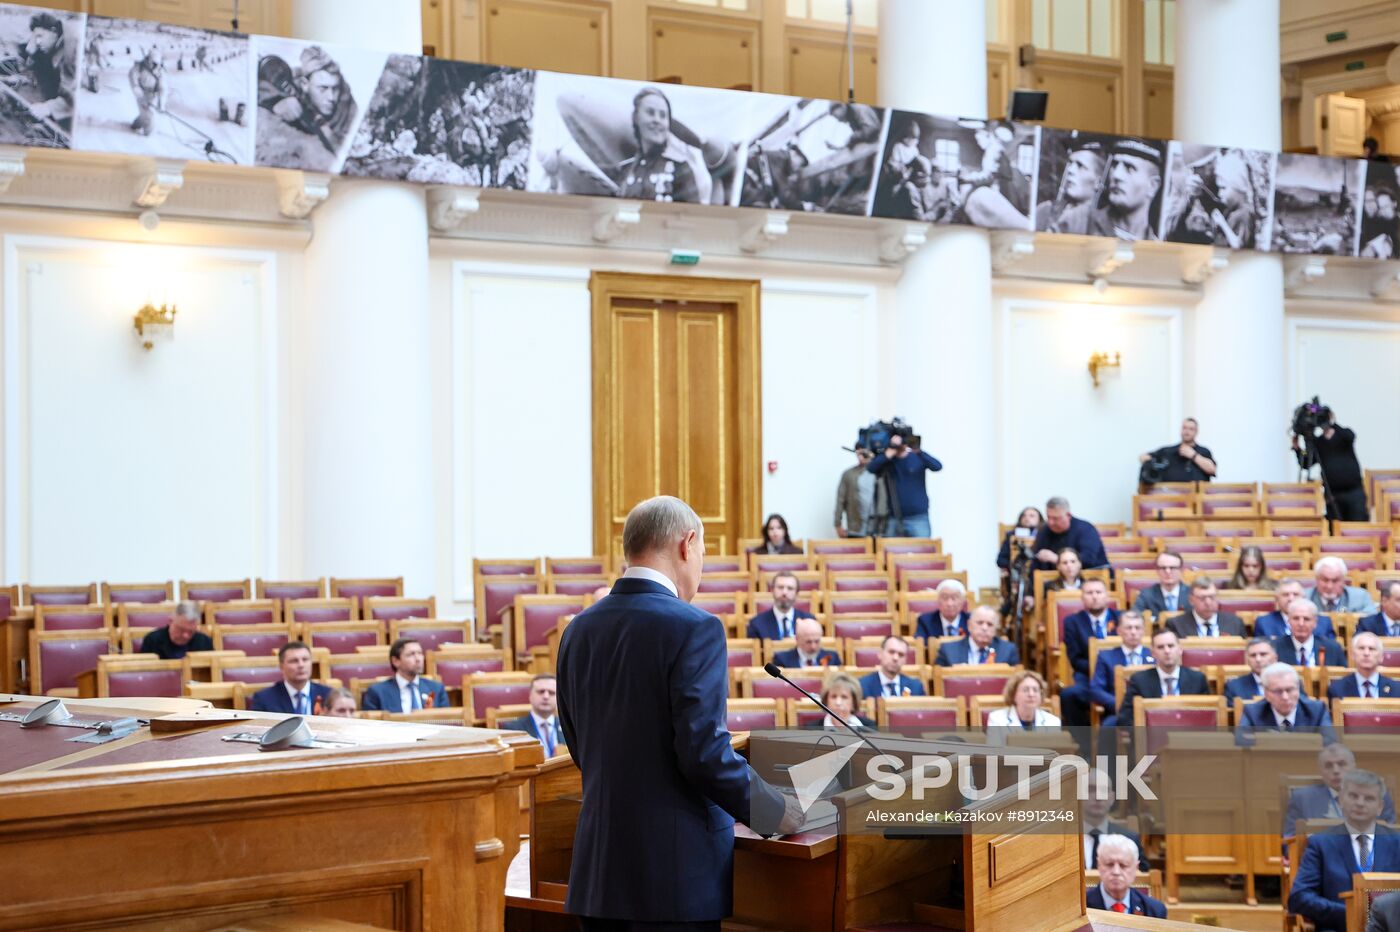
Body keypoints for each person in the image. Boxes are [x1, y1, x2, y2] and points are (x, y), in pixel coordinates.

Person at [556, 495, 797, 929]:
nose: (700, 564)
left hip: (599, 878)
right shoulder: (694, 628)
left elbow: (578, 746)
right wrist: (776, 810)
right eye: (702, 550)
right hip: (674, 881)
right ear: (687, 544)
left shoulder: (578, 630)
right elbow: (703, 754)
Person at [1289, 769, 1400, 932]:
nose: (1360, 803)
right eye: (1353, 796)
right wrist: (1351, 913)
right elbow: (1299, 898)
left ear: (1380, 807)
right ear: (1341, 800)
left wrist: (1382, 914)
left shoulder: (1397, 842)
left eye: (1369, 798)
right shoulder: (1321, 843)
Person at [257, 45, 358, 161]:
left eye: (335, 89)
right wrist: (276, 102)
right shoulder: (289, 77)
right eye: (323, 89)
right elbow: (259, 87)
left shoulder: (345, 100)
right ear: (304, 84)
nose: (331, 97)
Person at [1284, 745, 1396, 842]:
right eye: (1329, 766)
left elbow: (1390, 837)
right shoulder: (1302, 798)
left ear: (1353, 767)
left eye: (1341, 764)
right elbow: (1288, 841)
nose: (1336, 771)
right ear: (1321, 771)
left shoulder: (1378, 795)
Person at [611, 86, 700, 204]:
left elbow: (692, 212)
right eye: (650, 113)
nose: (657, 120)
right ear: (636, 117)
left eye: (663, 115)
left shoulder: (681, 169)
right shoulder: (623, 171)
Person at [0, 11, 75, 131]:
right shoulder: (52, 37)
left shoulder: (71, 51)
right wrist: (31, 52)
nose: (38, 42)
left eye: (40, 36)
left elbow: (74, 99)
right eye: (36, 37)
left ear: (54, 31)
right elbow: (25, 50)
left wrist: (48, 108)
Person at [1117, 629, 1210, 724]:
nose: (1167, 651)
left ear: (1180, 650)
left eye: (1171, 646)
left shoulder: (1198, 679)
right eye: (1160, 647)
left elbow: (1208, 717)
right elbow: (1125, 720)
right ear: (1152, 653)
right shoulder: (1139, 681)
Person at [1060, 579, 1119, 725]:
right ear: (1082, 598)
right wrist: (1100, 669)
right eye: (1089, 593)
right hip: (1089, 677)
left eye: (1098, 592)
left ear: (1107, 596)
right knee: (1069, 695)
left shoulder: (1121, 618)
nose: (1094, 596)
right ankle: (1084, 738)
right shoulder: (1072, 621)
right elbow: (1075, 659)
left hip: (1118, 676)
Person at [1235, 662, 1336, 745]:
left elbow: (1330, 741)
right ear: (1266, 693)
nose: (1285, 697)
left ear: (1298, 689)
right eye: (1277, 691)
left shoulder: (1317, 710)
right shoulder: (1253, 712)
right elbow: (1241, 740)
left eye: (1290, 690)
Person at [864, 433, 942, 538]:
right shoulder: (888, 461)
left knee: (922, 548)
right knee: (889, 548)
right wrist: (888, 453)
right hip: (894, 517)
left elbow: (937, 466)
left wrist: (919, 451)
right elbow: (871, 468)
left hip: (918, 517)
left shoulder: (917, 457)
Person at [1297, 410, 1369, 521]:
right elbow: (1307, 463)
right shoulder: (1319, 442)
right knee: (1335, 527)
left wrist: (1332, 423)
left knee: (1357, 525)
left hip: (1354, 492)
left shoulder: (1343, 435)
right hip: (1333, 495)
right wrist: (1298, 449)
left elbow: (1351, 436)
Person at [1087, 139, 1163, 241]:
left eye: (1129, 168)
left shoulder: (1155, 246)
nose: (1116, 175)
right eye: (1114, 165)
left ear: (1152, 186)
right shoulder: (1080, 221)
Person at [1089, 611, 1152, 726]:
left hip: (1150, 712)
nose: (1133, 632)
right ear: (1119, 631)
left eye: (1137, 628)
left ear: (1143, 631)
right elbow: (1096, 690)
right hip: (1118, 713)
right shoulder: (1106, 657)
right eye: (1128, 628)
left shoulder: (1154, 655)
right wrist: (1123, 705)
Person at [1081, 770, 1149, 872]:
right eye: (1090, 790)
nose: (1098, 797)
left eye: (1104, 791)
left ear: (1112, 798)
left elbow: (1143, 878)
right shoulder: (1064, 841)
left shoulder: (1129, 839)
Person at [1036, 136, 1104, 234]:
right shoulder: (1046, 212)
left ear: (1098, 182)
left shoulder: (1103, 225)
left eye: (1080, 166)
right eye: (1070, 163)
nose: (1070, 170)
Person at [1086, 834, 1167, 917]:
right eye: (1109, 864)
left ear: (1136, 868)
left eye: (1123, 865)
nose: (1116, 872)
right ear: (1099, 865)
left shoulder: (1155, 910)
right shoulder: (1082, 908)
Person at [361, 638, 449, 712]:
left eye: (420, 653)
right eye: (411, 654)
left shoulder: (436, 689)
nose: (418, 659)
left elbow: (446, 721)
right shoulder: (378, 692)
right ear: (396, 661)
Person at [248, 641, 333, 715]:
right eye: (294, 661)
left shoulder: (328, 695)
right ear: (281, 667)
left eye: (305, 659)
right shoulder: (264, 699)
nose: (301, 665)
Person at [1032, 497, 1108, 571]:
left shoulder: (1085, 529)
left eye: (1055, 518)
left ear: (1068, 515)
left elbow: (1088, 559)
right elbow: (1035, 559)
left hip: (1091, 575)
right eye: (1049, 517)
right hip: (1053, 577)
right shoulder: (1044, 530)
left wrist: (1057, 559)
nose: (1051, 522)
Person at [500, 674, 567, 756]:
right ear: (530, 696)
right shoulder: (513, 729)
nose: (546, 696)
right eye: (541, 692)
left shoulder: (567, 726)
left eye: (551, 693)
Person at [985, 670, 1059, 742]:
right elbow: (994, 749)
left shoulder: (1052, 721)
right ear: (1013, 694)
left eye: (1035, 690)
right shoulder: (997, 720)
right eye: (1025, 690)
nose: (1031, 694)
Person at [935, 605, 1020, 666]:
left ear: (995, 630)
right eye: (980, 623)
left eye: (990, 624)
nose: (984, 628)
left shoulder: (1008, 651)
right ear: (969, 625)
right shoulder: (948, 651)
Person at [1139, 418, 1217, 484]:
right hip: (1170, 494)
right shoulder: (1167, 451)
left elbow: (1212, 470)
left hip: (1197, 495)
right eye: (1184, 428)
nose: (1187, 431)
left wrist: (1193, 455)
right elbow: (1143, 457)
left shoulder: (1204, 451)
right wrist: (1150, 462)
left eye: (1191, 429)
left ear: (1196, 432)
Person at [1273, 600, 1346, 669]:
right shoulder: (1275, 647)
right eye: (1296, 618)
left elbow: (1343, 675)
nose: (1301, 624)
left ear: (1315, 622)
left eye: (1306, 619)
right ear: (1288, 621)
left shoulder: (1332, 648)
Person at [1256, 578, 1336, 640]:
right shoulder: (1264, 623)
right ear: (1277, 599)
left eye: (1295, 594)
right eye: (1285, 595)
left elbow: (1331, 651)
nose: (1291, 599)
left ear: (1304, 597)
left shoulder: (1323, 622)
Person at [1164, 578, 1245, 638]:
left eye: (1212, 597)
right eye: (1202, 598)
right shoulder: (1176, 625)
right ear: (1191, 600)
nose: (1208, 603)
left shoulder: (1235, 623)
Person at [745, 572, 815, 641]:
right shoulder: (757, 624)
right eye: (780, 587)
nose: (784, 592)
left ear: (796, 593)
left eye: (790, 588)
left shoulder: (809, 621)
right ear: (772, 591)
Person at [1326, 632, 1397, 700]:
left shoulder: (1396, 689)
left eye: (1371, 649)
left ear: (1381, 657)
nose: (1366, 653)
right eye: (1361, 648)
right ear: (1352, 655)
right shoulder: (1337, 689)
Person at [138, 600, 212, 659]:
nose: (185, 635)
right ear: (170, 621)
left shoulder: (205, 642)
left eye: (191, 631)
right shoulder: (152, 641)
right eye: (181, 629)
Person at [858, 635, 925, 699]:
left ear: (905, 660)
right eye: (891, 652)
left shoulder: (916, 687)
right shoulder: (862, 686)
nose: (895, 658)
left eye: (901, 654)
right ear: (880, 654)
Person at [1307, 556, 1379, 615]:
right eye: (1325, 580)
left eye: (1335, 581)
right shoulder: (1304, 597)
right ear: (1316, 579)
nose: (1329, 586)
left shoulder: (1361, 597)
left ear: (1343, 580)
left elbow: (1372, 623)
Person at [834, 447, 876, 538]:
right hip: (856, 527)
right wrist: (838, 524)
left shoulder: (881, 473)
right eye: (859, 453)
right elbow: (840, 500)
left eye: (864, 452)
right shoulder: (848, 474)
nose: (861, 456)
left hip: (878, 527)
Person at [808, 673, 875, 730]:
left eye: (844, 697)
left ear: (854, 702)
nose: (838, 702)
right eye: (834, 697)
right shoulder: (810, 729)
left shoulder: (870, 727)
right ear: (826, 701)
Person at [1223, 638, 1279, 704]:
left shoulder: (1288, 682)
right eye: (1253, 655)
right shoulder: (1234, 687)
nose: (1258, 659)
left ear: (1275, 658)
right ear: (1247, 660)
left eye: (1263, 654)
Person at [772, 616, 841, 669]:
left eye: (817, 641)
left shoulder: (832, 658)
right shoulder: (782, 660)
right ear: (797, 639)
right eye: (808, 642)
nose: (813, 647)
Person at [1131, 550, 1186, 616]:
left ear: (1181, 570)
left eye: (1172, 568)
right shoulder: (1146, 595)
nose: (1168, 571)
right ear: (1157, 570)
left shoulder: (1192, 594)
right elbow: (1134, 617)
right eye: (1163, 568)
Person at [127, 46, 165, 137]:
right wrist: (137, 91)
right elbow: (132, 78)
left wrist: (161, 104)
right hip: (141, 93)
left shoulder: (160, 71)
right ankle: (148, 135)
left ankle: (136, 124)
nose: (155, 65)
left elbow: (162, 88)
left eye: (156, 63)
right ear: (149, 59)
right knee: (149, 115)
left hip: (153, 95)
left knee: (146, 113)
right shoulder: (139, 67)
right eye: (153, 63)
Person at [997, 506, 1043, 575]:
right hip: (1017, 573)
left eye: (1032, 516)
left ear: (1039, 519)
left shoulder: (1043, 535)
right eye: (1024, 516)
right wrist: (1013, 566)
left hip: (1038, 572)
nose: (1027, 518)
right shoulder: (1011, 536)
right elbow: (1001, 560)